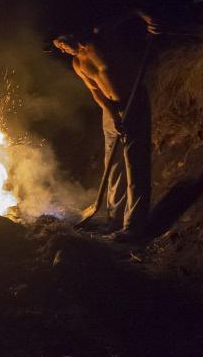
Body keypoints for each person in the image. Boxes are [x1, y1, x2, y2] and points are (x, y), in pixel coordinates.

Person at [54, 12, 157, 242]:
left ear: (69, 34)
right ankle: (114, 219)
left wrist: (149, 19)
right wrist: (112, 114)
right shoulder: (77, 62)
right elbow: (95, 91)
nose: (61, 49)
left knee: (134, 164)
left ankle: (134, 226)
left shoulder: (103, 37)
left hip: (133, 102)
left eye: (60, 43)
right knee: (113, 164)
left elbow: (127, 11)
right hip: (110, 111)